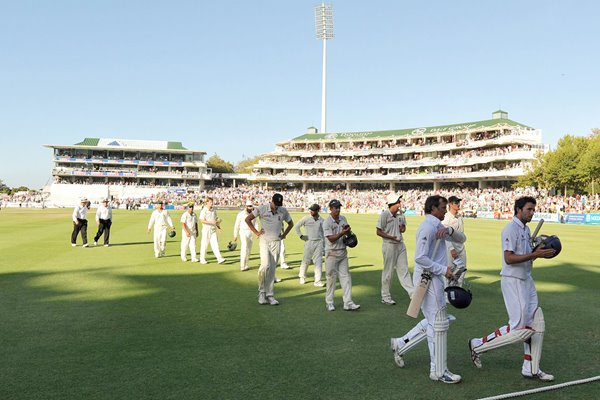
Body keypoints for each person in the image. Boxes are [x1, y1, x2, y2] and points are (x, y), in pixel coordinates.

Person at [468, 196, 556, 381]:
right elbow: (509, 258)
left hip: (526, 278)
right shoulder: (510, 229)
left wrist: (538, 253)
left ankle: (531, 368)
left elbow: (527, 256)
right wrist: (534, 253)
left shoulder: (526, 229)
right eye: (529, 209)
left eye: (533, 210)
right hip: (513, 280)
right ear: (518, 209)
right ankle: (477, 346)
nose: (532, 213)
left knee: (534, 323)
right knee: (518, 329)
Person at [390, 195, 466, 384]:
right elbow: (420, 258)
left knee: (435, 321)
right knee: (438, 323)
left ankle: (400, 344)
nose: (444, 209)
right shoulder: (428, 227)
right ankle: (438, 371)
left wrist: (449, 229)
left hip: (433, 278)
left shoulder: (439, 226)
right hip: (427, 278)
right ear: (433, 208)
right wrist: (444, 270)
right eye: (442, 207)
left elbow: (462, 238)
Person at [246, 193, 294, 306]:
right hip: (264, 241)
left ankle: (270, 295)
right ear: (271, 201)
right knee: (265, 266)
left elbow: (291, 224)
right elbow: (248, 219)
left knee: (272, 269)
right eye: (275, 204)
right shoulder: (262, 209)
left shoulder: (283, 211)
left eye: (278, 205)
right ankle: (261, 293)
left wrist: (284, 235)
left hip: (276, 242)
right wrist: (256, 232)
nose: (276, 207)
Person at [323, 199, 360, 312]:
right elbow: (331, 239)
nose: (338, 209)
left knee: (346, 277)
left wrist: (348, 232)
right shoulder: (327, 222)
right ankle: (329, 302)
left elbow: (347, 233)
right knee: (331, 278)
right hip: (331, 253)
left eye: (339, 207)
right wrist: (342, 233)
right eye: (335, 208)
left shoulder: (343, 218)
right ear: (331, 209)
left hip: (342, 252)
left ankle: (348, 303)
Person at [376, 193, 414, 305]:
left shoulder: (401, 214)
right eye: (398, 202)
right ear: (392, 203)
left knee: (404, 270)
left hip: (400, 244)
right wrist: (390, 236)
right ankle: (385, 296)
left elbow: (403, 229)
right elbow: (378, 231)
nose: (400, 204)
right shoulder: (384, 215)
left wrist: (402, 228)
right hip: (389, 245)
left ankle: (413, 294)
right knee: (388, 271)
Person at [295, 203, 325, 287]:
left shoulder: (322, 220)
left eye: (313, 210)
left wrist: (324, 246)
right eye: (310, 210)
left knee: (318, 262)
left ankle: (317, 281)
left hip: (319, 242)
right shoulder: (306, 218)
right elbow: (297, 226)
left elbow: (324, 234)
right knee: (306, 260)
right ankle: (302, 276)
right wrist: (301, 235)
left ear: (317, 211)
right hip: (309, 242)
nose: (311, 211)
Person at [442, 196, 467, 287]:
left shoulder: (459, 216)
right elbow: (445, 235)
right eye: (456, 202)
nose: (458, 204)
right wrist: (451, 249)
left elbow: (461, 233)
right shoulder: (446, 217)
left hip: (461, 247)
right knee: (449, 270)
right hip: (451, 248)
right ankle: (446, 293)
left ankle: (457, 290)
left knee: (462, 269)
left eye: (458, 202)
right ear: (450, 204)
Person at [199, 197, 226, 265]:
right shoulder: (204, 210)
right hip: (206, 230)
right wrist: (211, 222)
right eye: (210, 202)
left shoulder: (214, 210)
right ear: (207, 202)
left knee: (215, 245)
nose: (212, 203)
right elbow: (202, 220)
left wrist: (218, 226)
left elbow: (215, 219)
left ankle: (219, 259)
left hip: (213, 230)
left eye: (212, 202)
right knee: (204, 245)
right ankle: (202, 259)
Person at [233, 200, 258, 271]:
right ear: (246, 206)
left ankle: (246, 264)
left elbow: (255, 224)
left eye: (251, 206)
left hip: (250, 232)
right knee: (244, 247)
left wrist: (257, 232)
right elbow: (236, 225)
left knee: (249, 249)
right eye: (249, 206)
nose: (250, 208)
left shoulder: (253, 214)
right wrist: (235, 234)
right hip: (243, 232)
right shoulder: (240, 214)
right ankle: (242, 265)